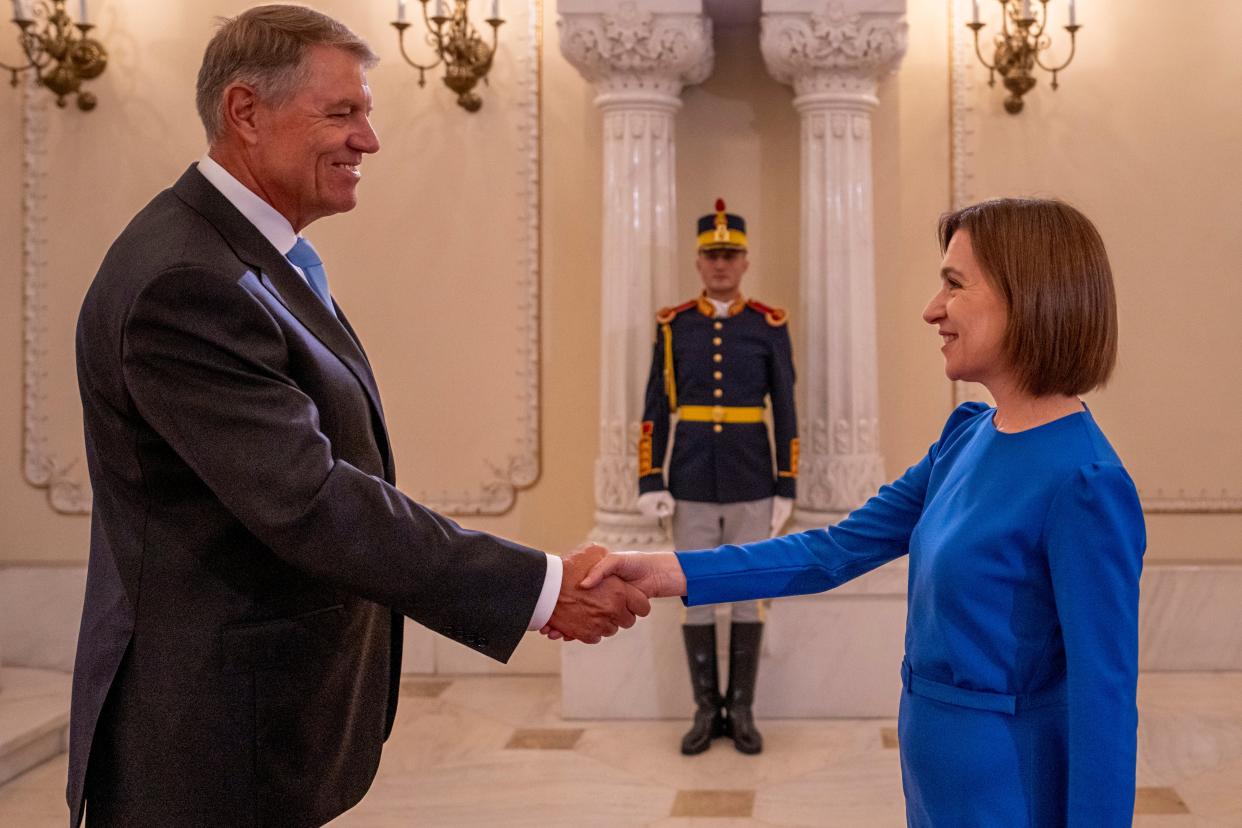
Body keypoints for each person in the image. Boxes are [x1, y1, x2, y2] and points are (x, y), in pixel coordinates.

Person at [68, 7, 646, 827]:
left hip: (256, 730)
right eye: (342, 113)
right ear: (245, 112)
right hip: (204, 743)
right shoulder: (185, 281)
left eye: (365, 113)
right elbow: (310, 499)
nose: (367, 140)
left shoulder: (250, 257)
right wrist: (540, 587)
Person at [584, 198, 1146, 825]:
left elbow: (1104, 702)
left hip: (1008, 785)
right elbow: (834, 550)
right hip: (930, 768)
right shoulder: (967, 433)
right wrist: (673, 571)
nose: (932, 309)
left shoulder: (1085, 482)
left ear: (1030, 296)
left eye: (954, 285)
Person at [636, 198, 798, 755]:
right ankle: (708, 711)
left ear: (746, 261)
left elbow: (787, 408)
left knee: (748, 596)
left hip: (753, 476)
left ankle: (744, 711)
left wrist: (787, 483)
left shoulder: (769, 326)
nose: (721, 264)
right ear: (699, 263)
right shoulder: (673, 326)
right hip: (691, 480)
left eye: (730, 255)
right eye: (712, 256)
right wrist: (651, 479)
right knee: (699, 596)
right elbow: (655, 405)